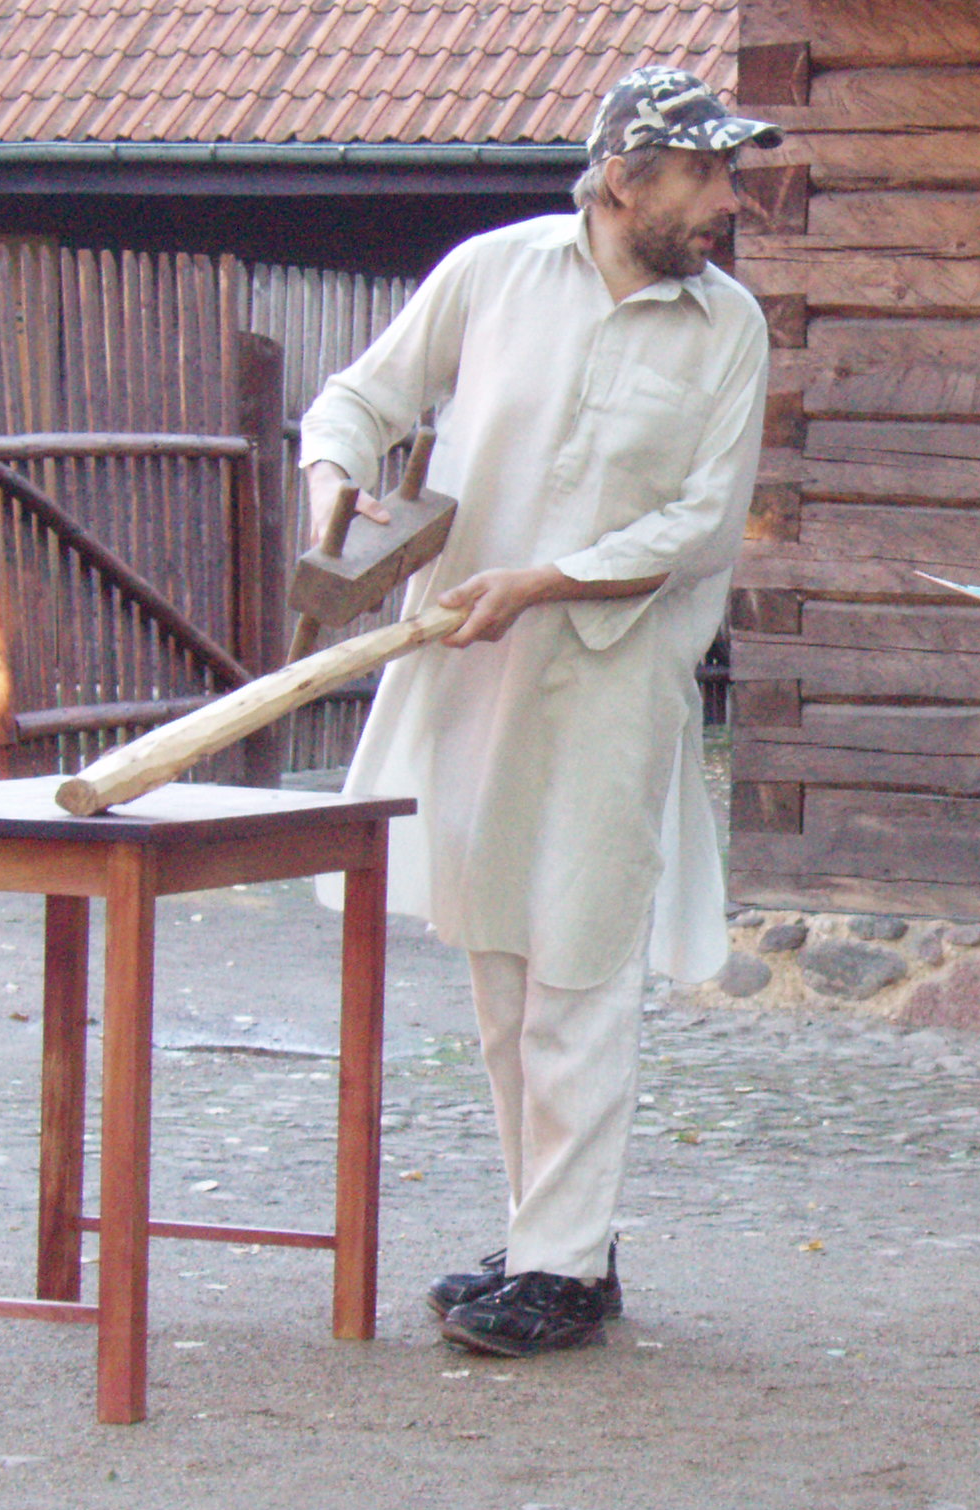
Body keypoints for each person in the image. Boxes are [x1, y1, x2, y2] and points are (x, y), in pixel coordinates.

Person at [298, 68, 781, 1357]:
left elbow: (699, 525)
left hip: (614, 676)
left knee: (580, 957)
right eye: (708, 175)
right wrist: (332, 481)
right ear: (629, 179)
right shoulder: (493, 272)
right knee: (501, 962)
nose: (731, 200)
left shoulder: (728, 326)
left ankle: (562, 1267)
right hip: (471, 674)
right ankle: (552, 1236)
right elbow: (359, 398)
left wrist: (546, 581)